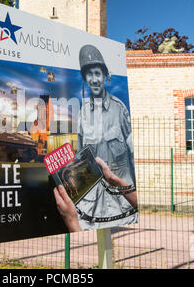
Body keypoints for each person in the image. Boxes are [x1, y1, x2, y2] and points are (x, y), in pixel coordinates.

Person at [53, 44, 138, 232]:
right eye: (89, 75)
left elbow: (133, 156)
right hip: (93, 206)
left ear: (105, 76)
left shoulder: (119, 109)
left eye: (98, 73)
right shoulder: (83, 113)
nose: (94, 79)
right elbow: (81, 157)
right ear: (84, 78)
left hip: (121, 203)